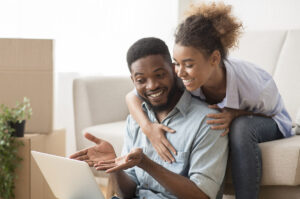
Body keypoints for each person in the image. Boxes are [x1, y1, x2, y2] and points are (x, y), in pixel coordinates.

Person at [125, 2, 293, 199]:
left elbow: (271, 113)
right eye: (176, 64)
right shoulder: (183, 76)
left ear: (214, 59)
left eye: (187, 64)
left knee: (240, 128)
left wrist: (235, 113)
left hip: (270, 121)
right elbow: (132, 96)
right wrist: (148, 127)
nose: (179, 72)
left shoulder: (255, 86)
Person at [71, 37, 228, 199]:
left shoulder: (208, 121)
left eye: (159, 75)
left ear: (174, 70)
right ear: (133, 81)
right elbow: (127, 193)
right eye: (141, 80)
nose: (152, 85)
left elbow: (202, 196)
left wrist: (146, 164)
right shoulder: (135, 120)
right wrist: (115, 165)